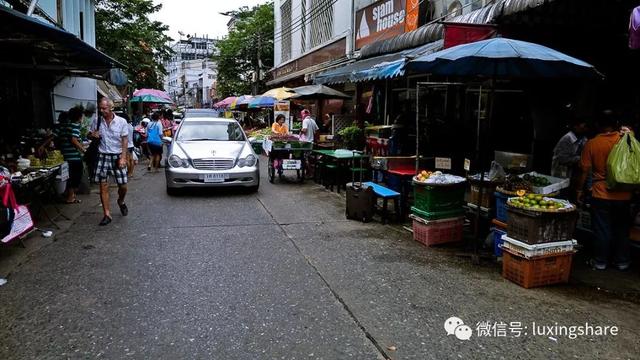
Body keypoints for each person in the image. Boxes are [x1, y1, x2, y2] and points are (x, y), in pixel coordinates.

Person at [576, 110, 632, 271]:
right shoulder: (624, 140)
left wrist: (579, 190)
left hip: (601, 193)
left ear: (597, 125)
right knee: (621, 229)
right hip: (624, 193)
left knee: (602, 228)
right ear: (616, 125)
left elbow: (585, 170)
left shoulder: (592, 144)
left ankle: (600, 261)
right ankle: (622, 262)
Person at [90, 98, 129, 226]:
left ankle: (121, 201)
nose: (102, 111)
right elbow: (89, 134)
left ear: (111, 108)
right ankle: (107, 214)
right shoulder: (97, 121)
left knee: (123, 186)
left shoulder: (121, 121)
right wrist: (92, 135)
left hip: (118, 155)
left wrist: (123, 157)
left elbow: (124, 140)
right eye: (100, 108)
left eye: (104, 108)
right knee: (103, 186)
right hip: (103, 155)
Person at [55, 106, 86, 204]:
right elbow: (73, 139)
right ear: (79, 117)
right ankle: (70, 197)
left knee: (69, 176)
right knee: (75, 176)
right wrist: (83, 149)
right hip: (74, 157)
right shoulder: (75, 125)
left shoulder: (65, 126)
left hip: (65, 156)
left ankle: (71, 196)